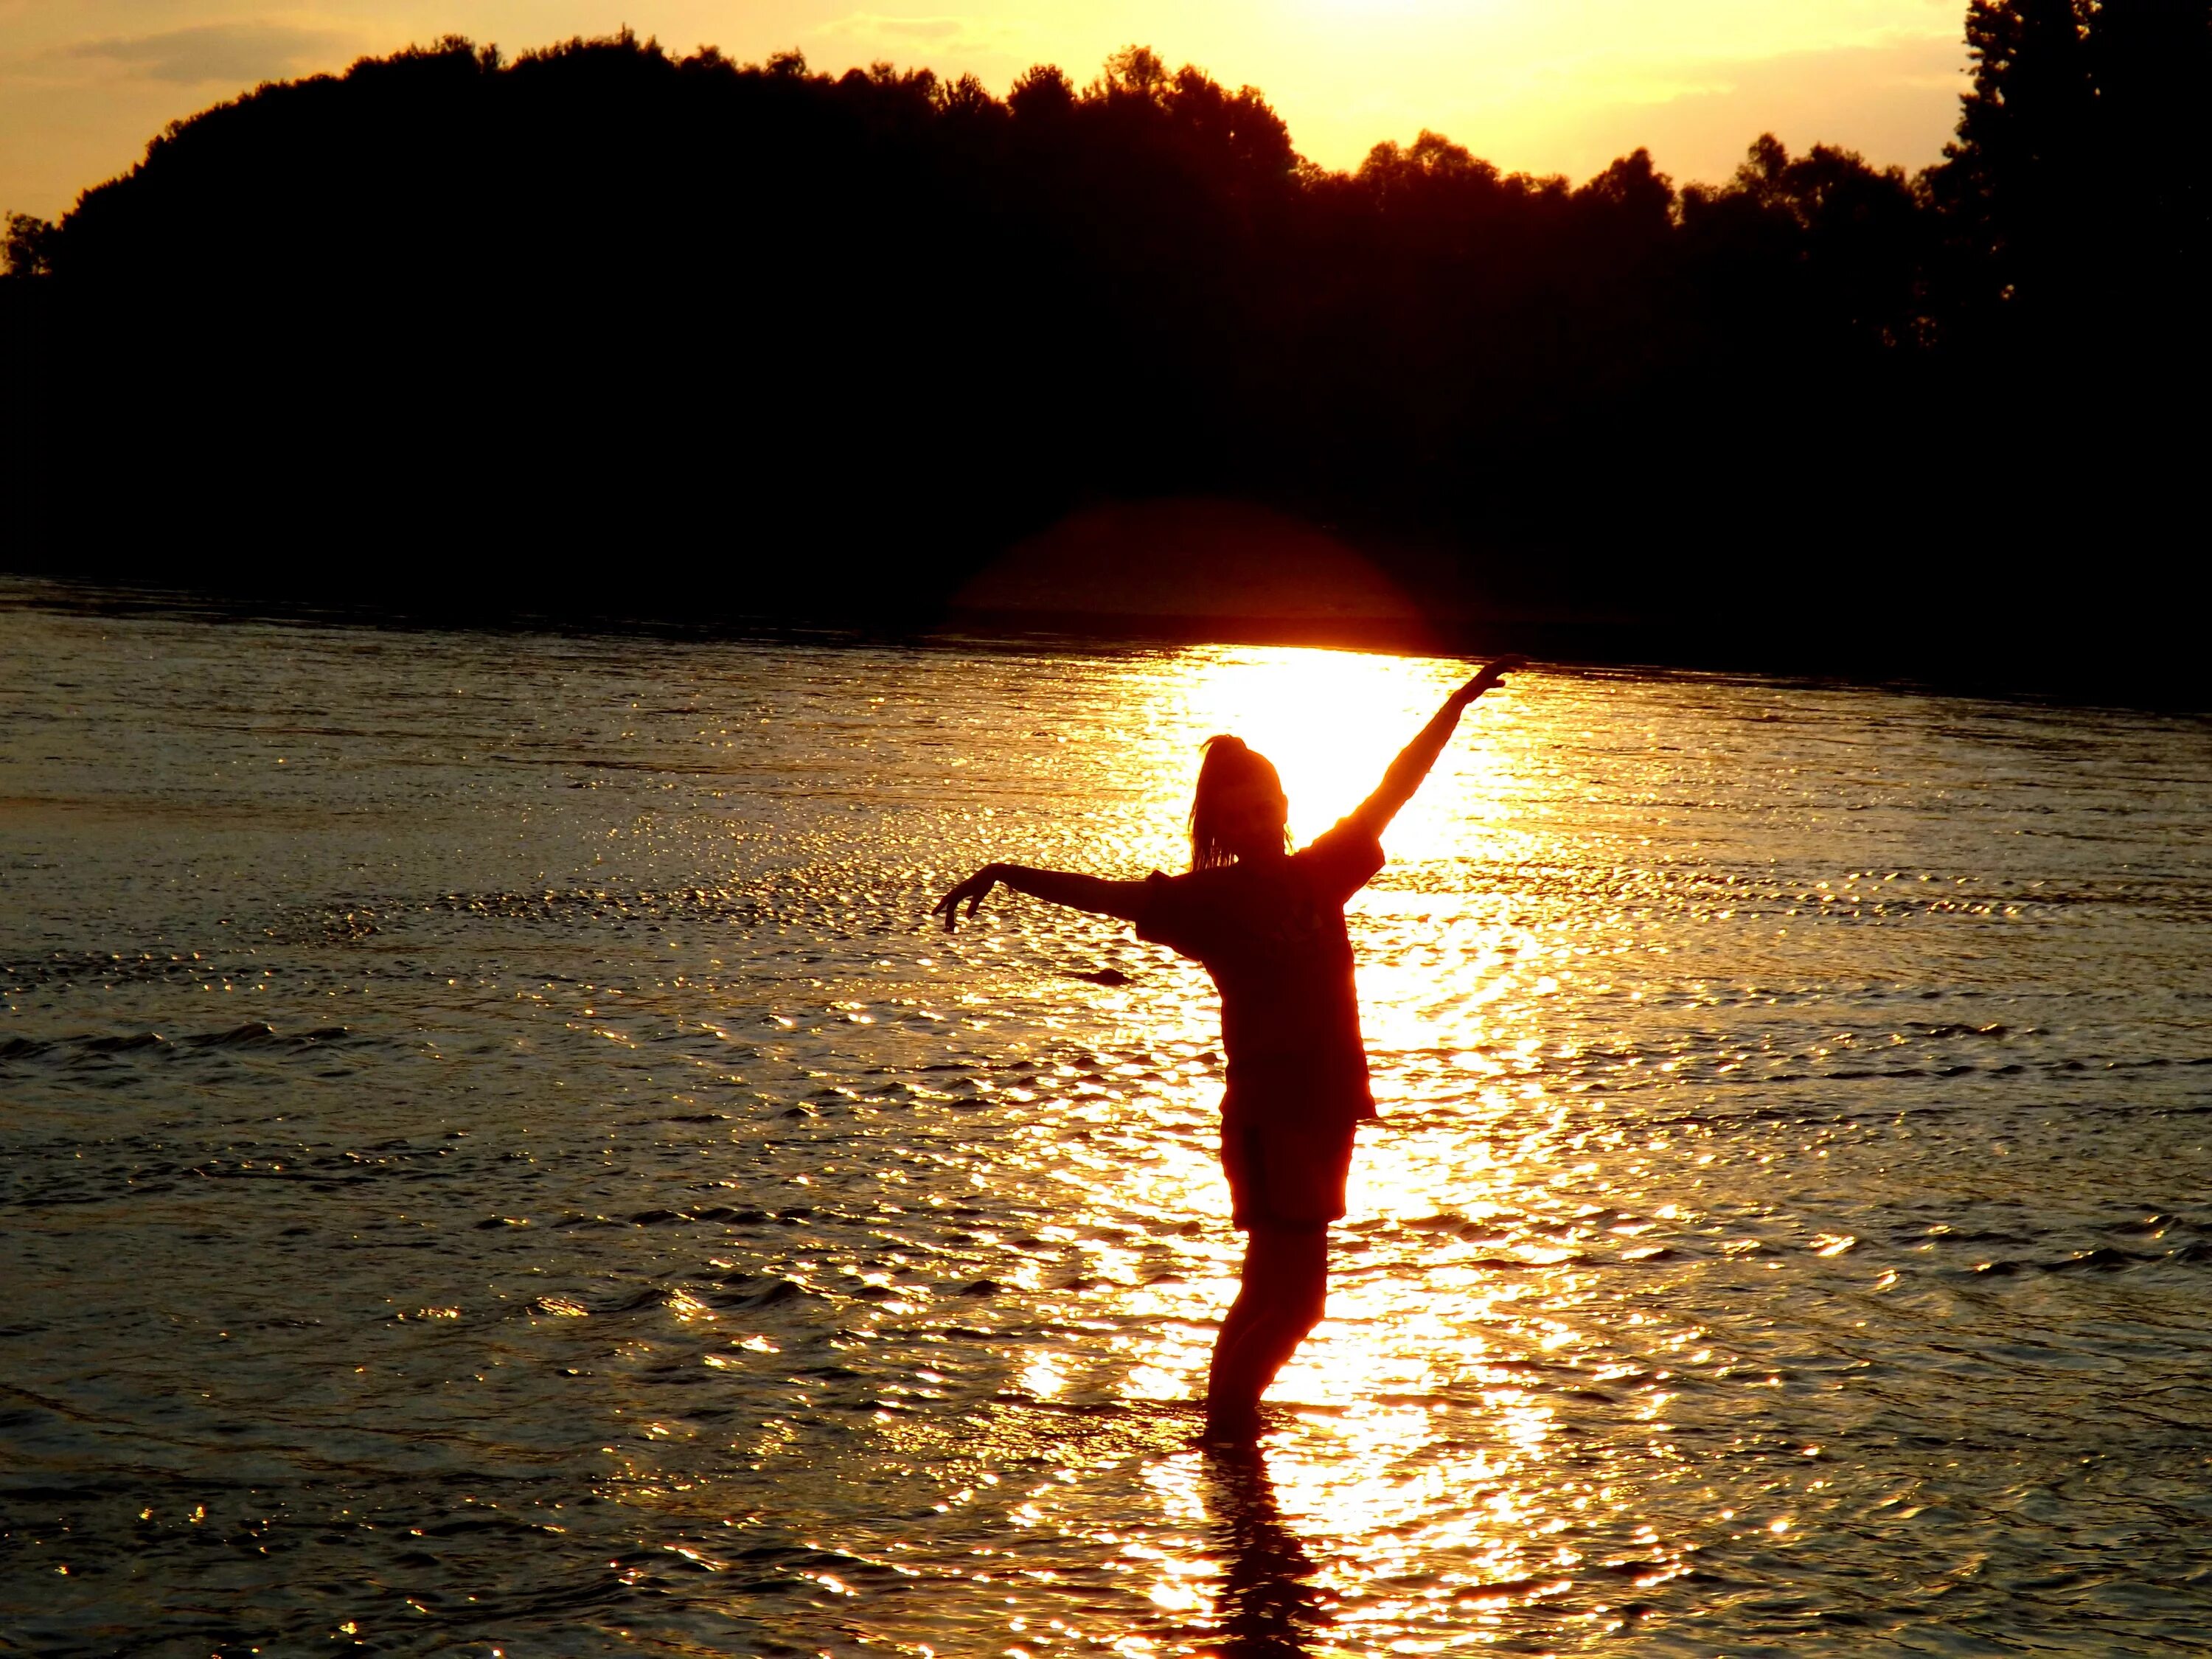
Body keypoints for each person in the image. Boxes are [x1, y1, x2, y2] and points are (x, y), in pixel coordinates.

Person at [932, 656, 1527, 1439]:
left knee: (1263, 1294)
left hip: (1326, 1112)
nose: (1249, 822)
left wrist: (1456, 704)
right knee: (1299, 1305)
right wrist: (1009, 873)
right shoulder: (1204, 904)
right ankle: (1229, 1441)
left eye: (1259, 806)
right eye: (1232, 816)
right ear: (1217, 828)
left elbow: (1397, 786)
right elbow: (1110, 898)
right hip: (1271, 1115)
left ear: (1282, 804)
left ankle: (1222, 1434)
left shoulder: (1324, 870)